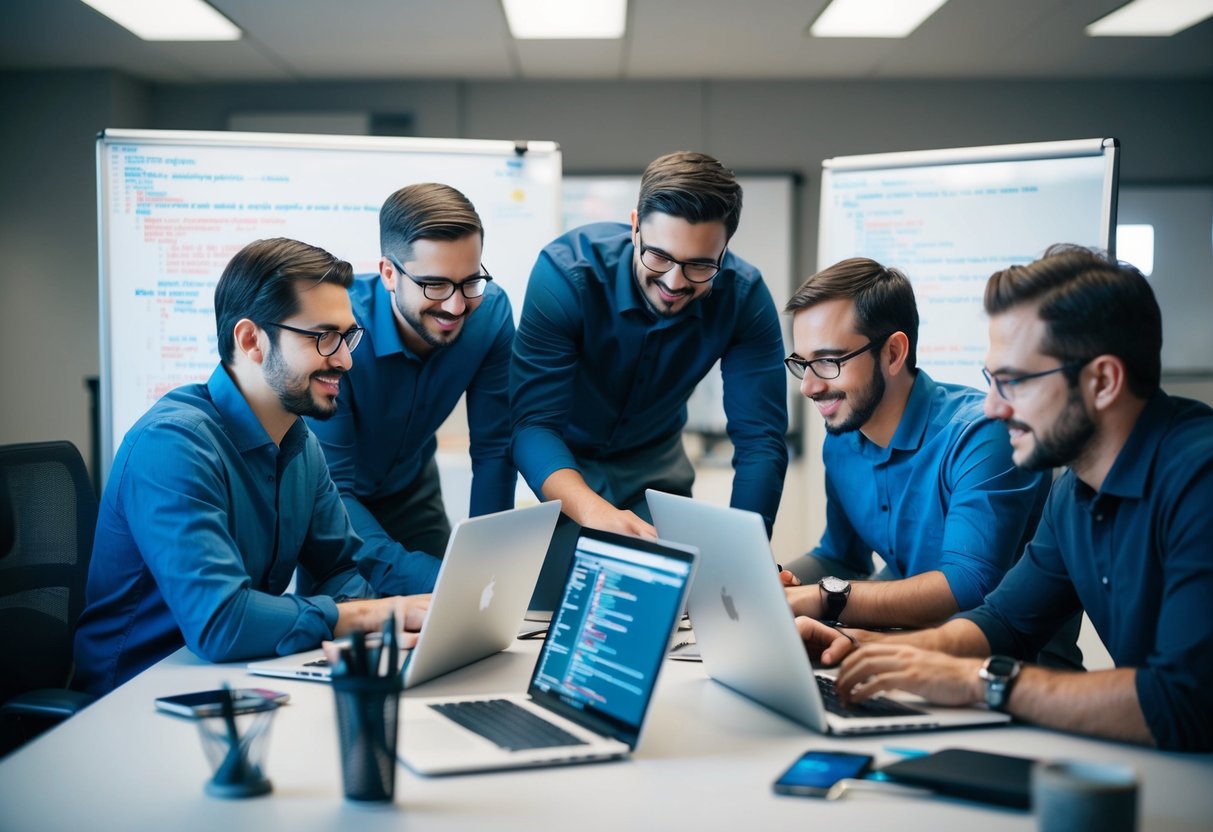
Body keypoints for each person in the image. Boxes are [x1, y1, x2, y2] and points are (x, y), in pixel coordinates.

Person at [798, 245, 1213, 751]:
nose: (993, 407)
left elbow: (1184, 701)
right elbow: (1003, 623)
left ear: (1102, 381)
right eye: (991, 381)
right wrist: (870, 649)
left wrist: (981, 682)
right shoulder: (1075, 493)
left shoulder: (1200, 480)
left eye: (1013, 382)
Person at [74, 238, 428, 695]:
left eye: (348, 337)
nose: (345, 359)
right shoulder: (172, 445)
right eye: (324, 337)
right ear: (250, 340)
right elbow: (221, 622)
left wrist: (374, 627)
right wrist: (366, 616)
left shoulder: (299, 441)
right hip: (133, 698)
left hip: (238, 680)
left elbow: (341, 570)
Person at [510, 151, 788, 553]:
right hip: (562, 461)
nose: (674, 282)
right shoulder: (565, 275)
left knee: (670, 597)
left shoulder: (745, 298)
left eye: (699, 266)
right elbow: (533, 425)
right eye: (659, 256)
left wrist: (746, 555)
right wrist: (591, 510)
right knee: (553, 595)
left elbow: (760, 440)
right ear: (636, 225)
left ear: (724, 249)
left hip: (656, 467)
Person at [780, 258, 1052, 631]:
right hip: (901, 654)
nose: (807, 386)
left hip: (1006, 672)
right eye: (802, 362)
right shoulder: (842, 440)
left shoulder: (982, 434)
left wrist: (820, 598)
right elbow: (840, 557)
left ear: (893, 353)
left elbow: (969, 584)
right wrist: (769, 587)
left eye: (828, 360)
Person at [308, 183, 515, 595]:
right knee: (344, 636)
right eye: (435, 285)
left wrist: (486, 568)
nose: (456, 307)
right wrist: (440, 581)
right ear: (389, 273)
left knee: (457, 621)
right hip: (333, 501)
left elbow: (494, 448)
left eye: (470, 282)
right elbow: (334, 489)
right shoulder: (338, 334)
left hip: (412, 491)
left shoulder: (490, 314)